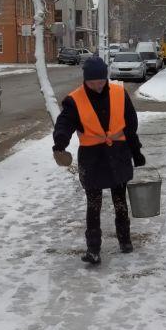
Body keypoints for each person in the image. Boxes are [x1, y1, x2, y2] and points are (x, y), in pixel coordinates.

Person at [52, 56, 146, 266]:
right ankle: (93, 249)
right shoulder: (74, 100)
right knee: (93, 204)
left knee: (120, 200)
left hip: (118, 154)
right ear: (85, 80)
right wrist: (60, 142)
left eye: (101, 80)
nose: (97, 85)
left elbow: (130, 126)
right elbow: (64, 123)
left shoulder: (119, 94)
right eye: (93, 81)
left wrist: (136, 152)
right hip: (92, 158)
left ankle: (125, 241)